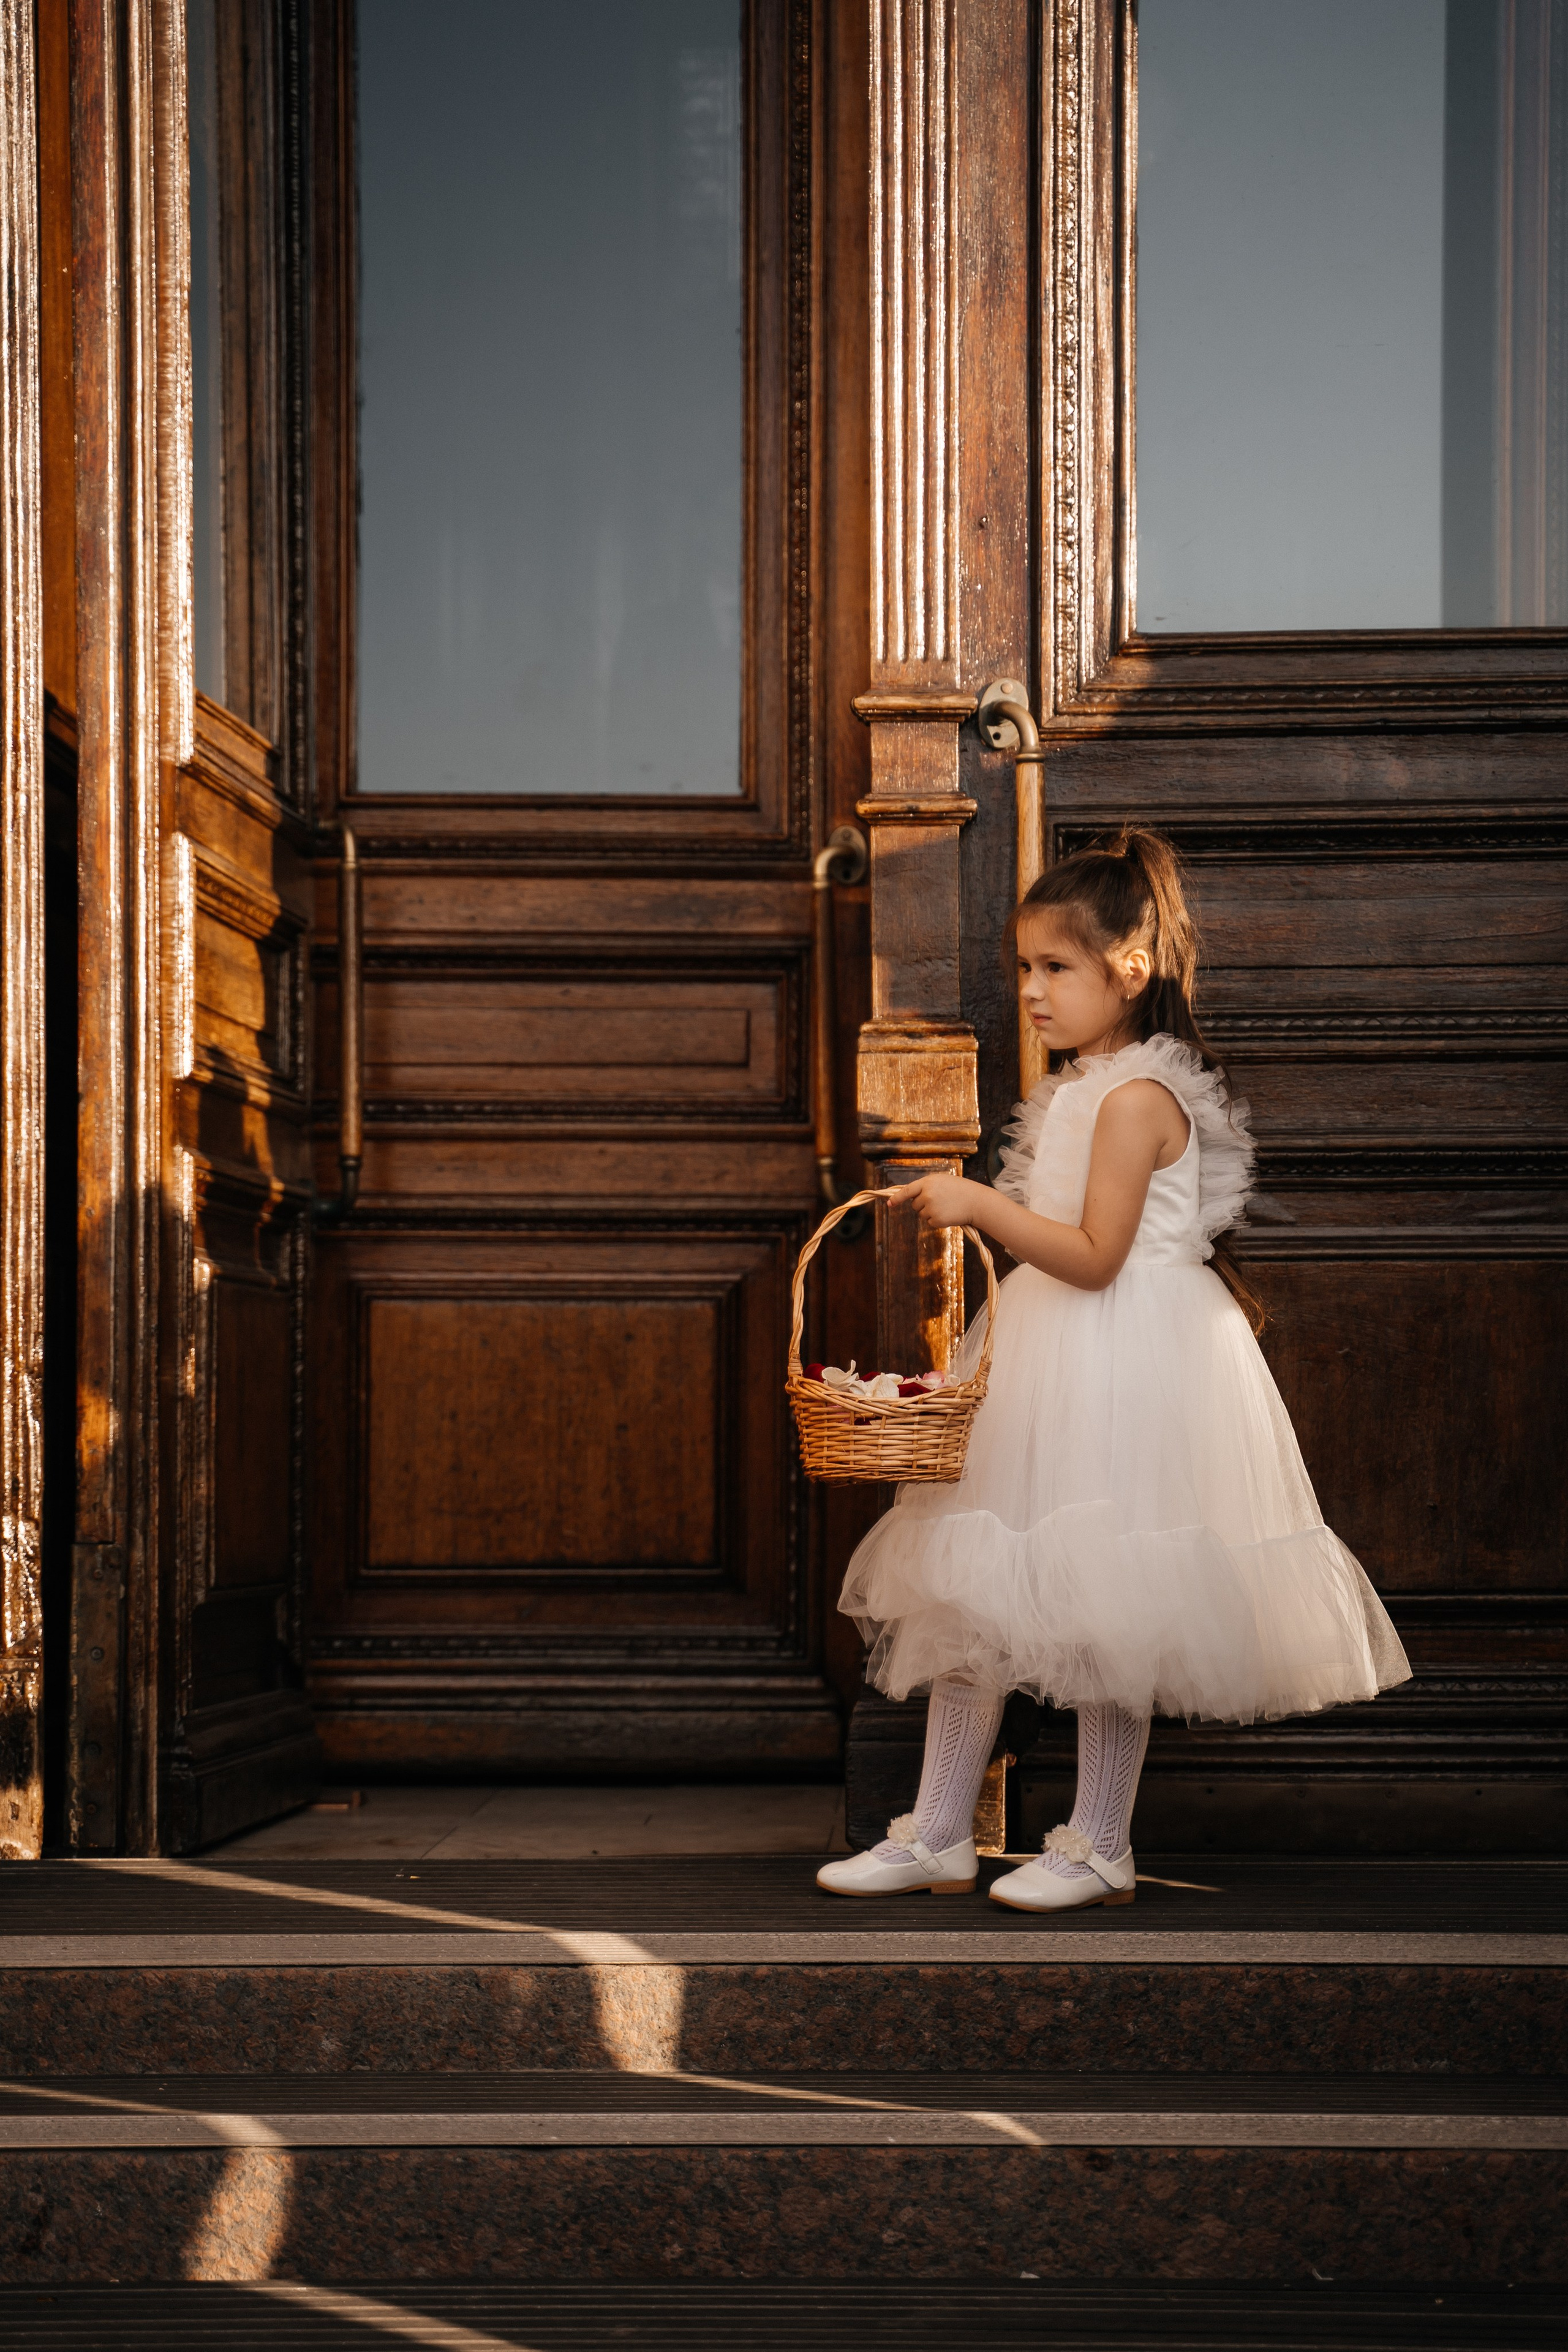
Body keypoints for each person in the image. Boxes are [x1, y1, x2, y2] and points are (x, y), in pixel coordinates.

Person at [818, 827, 1410, 1911]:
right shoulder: (1088, 1086)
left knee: (1111, 1599)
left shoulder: (1139, 1099)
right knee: (977, 1588)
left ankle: (1099, 1842)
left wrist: (980, 1205)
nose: (1032, 994)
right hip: (1050, 1357)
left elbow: (1094, 1258)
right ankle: (941, 1828)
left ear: (1129, 970)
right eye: (1025, 969)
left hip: (1128, 1361)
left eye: (1056, 969)